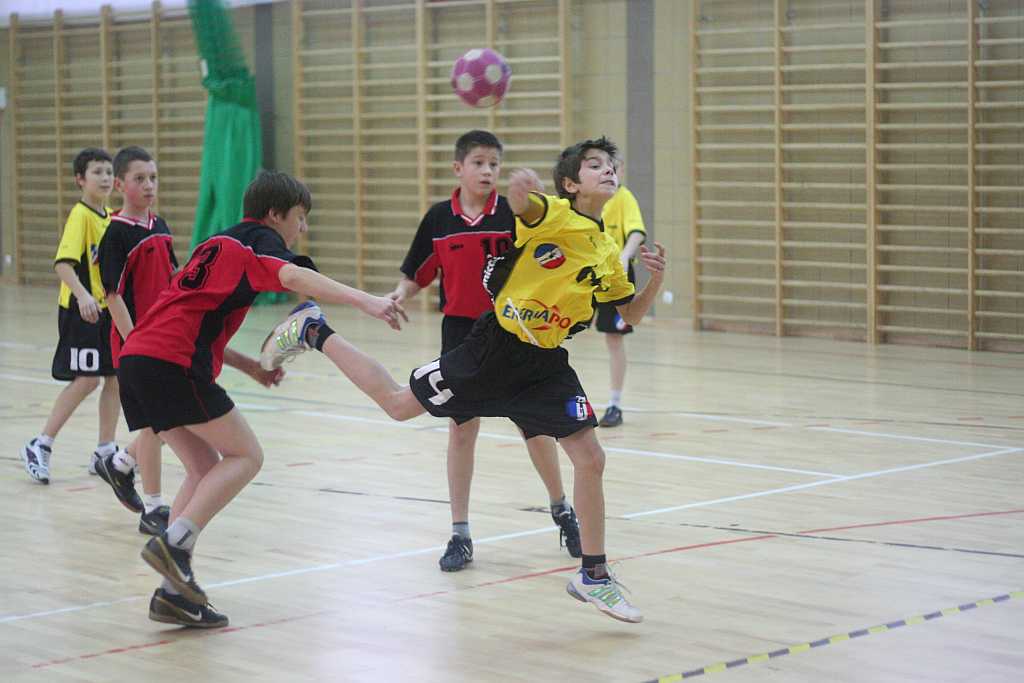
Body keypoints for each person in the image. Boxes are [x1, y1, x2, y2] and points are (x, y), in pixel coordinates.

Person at [262, 137, 666, 623]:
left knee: (591, 457)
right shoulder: (556, 212)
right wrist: (520, 189)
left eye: (612, 166)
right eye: (595, 165)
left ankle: (594, 576)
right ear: (570, 183)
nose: (608, 171)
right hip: (492, 350)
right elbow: (526, 208)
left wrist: (655, 282)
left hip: (545, 365)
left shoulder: (606, 248)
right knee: (397, 405)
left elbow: (629, 314)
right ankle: (314, 330)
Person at [120, 170, 405, 628]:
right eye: (299, 217)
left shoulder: (215, 245)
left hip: (139, 359)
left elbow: (189, 316)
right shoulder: (256, 243)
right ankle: (173, 543)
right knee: (246, 456)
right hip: (170, 363)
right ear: (274, 215)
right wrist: (367, 301)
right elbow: (294, 276)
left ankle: (173, 593)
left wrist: (251, 366)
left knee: (201, 467)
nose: (302, 228)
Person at [388, 130, 581, 572]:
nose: (488, 171)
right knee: (461, 431)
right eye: (478, 162)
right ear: (459, 168)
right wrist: (399, 295)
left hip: (513, 332)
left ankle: (563, 511)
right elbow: (418, 274)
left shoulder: (515, 214)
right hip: (461, 335)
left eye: (494, 163)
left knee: (536, 429)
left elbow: (549, 257)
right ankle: (460, 534)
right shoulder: (439, 218)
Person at [21, 147, 131, 485]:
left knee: (113, 377)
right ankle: (41, 443)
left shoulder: (110, 217)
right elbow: (63, 264)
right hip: (80, 311)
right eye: (97, 172)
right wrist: (83, 296)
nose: (106, 177)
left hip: (106, 311)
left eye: (109, 172)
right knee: (87, 380)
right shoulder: (81, 215)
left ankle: (104, 450)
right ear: (80, 180)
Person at [93, 146, 177, 535]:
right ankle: (154, 508)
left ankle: (122, 465)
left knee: (164, 420)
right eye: (140, 179)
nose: (148, 185)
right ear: (122, 184)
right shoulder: (116, 233)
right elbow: (113, 296)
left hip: (165, 338)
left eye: (153, 178)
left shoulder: (159, 226)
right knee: (160, 419)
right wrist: (134, 342)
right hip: (136, 342)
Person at [594, 168, 647, 428]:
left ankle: (614, 404)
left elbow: (636, 231)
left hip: (615, 276)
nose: (609, 172)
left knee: (613, 338)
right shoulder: (587, 199)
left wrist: (625, 255)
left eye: (614, 167)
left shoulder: (624, 197)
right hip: (585, 273)